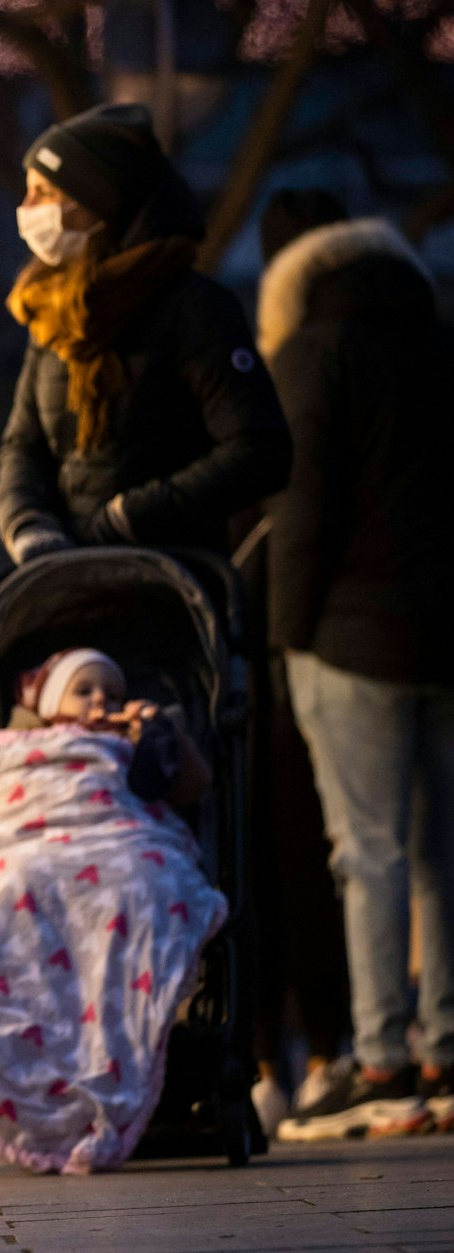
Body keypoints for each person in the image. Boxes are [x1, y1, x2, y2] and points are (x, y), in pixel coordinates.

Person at [259, 193, 454, 1140]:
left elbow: (302, 512)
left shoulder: (312, 352)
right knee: (437, 854)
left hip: (348, 635)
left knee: (366, 849)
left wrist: (285, 634)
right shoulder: (437, 341)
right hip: (443, 634)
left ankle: (377, 1058)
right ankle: (444, 1050)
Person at [0, 648, 225, 1173]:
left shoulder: (135, 743)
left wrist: (158, 734)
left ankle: (107, 1049)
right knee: (12, 887)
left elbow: (194, 785)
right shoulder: (15, 746)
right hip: (29, 841)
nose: (100, 702)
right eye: (85, 690)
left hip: (117, 838)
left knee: (143, 884)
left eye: (112, 694)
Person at [0, 103, 289, 564]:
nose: (26, 210)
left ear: (95, 204)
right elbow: (23, 446)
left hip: (171, 582)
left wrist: (128, 518)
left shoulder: (193, 308)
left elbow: (258, 449)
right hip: (64, 577)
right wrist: (28, 524)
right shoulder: (52, 315)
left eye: (42, 193)